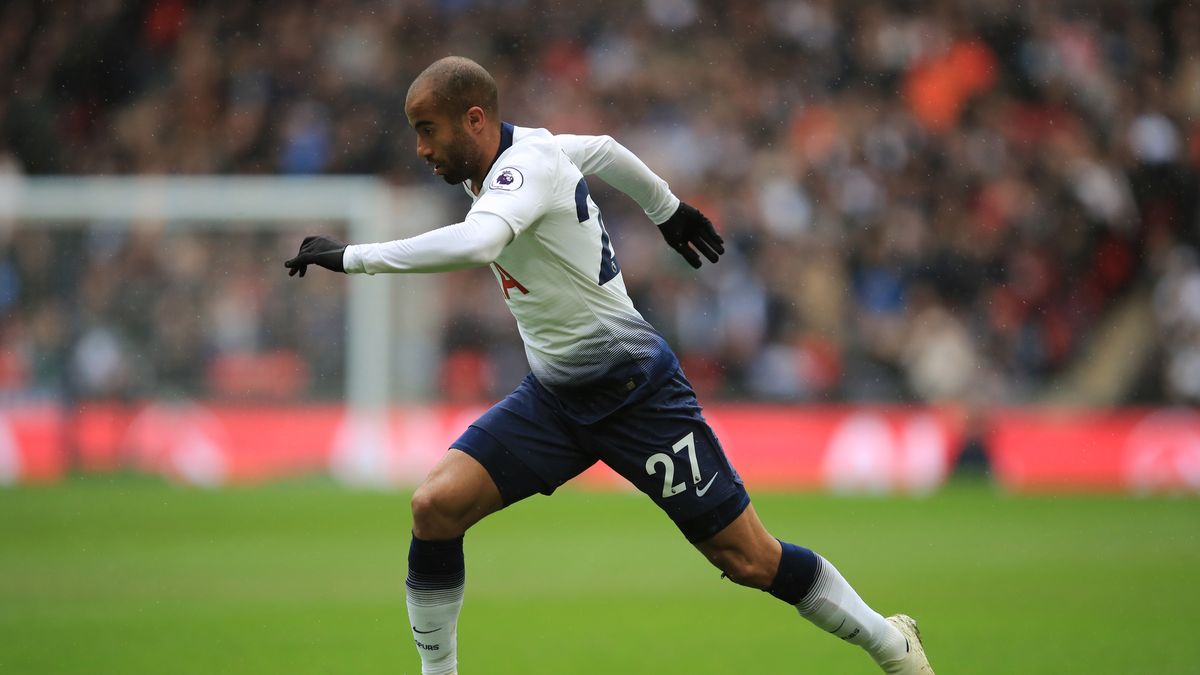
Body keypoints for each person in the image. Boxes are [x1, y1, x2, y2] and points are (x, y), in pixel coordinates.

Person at [286, 56, 933, 675]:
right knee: (435, 504)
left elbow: (481, 239)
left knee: (749, 560)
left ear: (475, 119)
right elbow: (599, 148)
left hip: (637, 397)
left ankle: (890, 640)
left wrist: (355, 258)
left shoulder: (521, 171)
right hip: (555, 400)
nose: (421, 148)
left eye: (428, 130)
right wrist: (666, 208)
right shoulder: (523, 155)